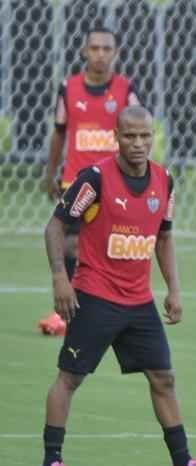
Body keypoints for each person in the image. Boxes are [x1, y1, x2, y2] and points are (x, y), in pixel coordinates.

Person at [37, 106, 196, 466]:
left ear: (153, 137)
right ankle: (51, 464)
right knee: (70, 377)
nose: (138, 143)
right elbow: (55, 227)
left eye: (145, 136)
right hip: (94, 296)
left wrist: (173, 290)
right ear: (116, 137)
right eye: (130, 136)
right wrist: (60, 278)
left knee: (163, 378)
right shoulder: (95, 179)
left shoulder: (164, 180)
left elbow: (164, 237)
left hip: (139, 301)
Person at [39, 25, 142, 336]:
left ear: (116, 53)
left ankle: (110, 310)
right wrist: (50, 172)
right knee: (71, 245)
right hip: (76, 182)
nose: (100, 54)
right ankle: (66, 312)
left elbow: (139, 133)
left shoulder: (125, 90)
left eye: (106, 48)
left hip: (114, 184)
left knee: (110, 250)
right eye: (94, 48)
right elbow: (59, 132)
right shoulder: (68, 88)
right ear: (84, 51)